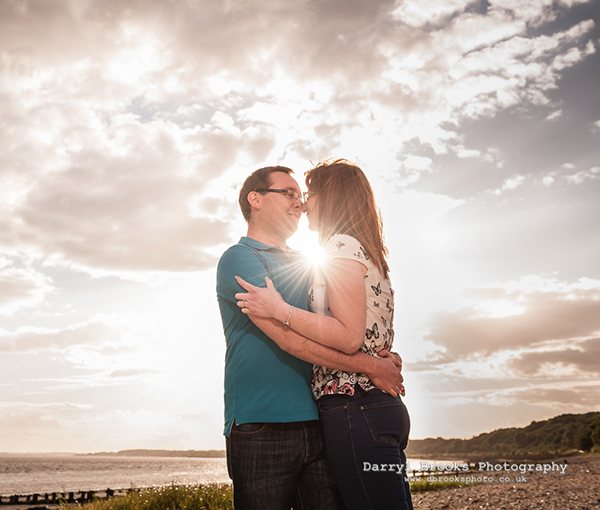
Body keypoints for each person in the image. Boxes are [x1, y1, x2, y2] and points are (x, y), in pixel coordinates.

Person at [216, 165, 404, 510]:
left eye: (302, 195)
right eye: (288, 193)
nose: (299, 202)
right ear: (254, 199)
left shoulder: (313, 262)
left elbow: (343, 326)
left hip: (321, 419)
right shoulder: (239, 259)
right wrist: (370, 366)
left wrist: (382, 355)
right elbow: (287, 338)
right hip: (262, 423)